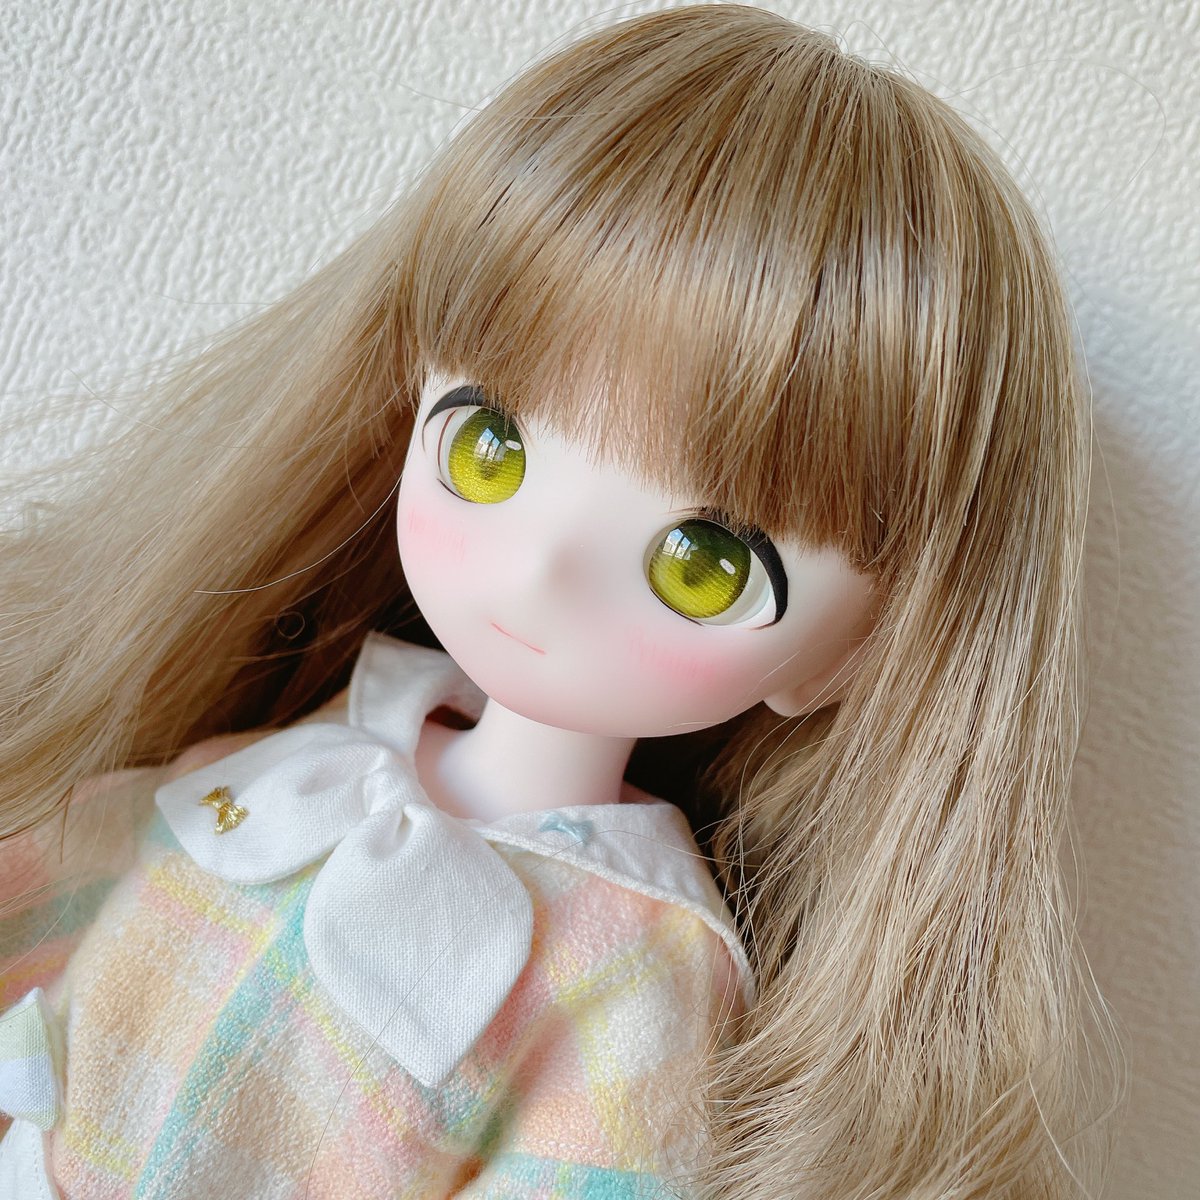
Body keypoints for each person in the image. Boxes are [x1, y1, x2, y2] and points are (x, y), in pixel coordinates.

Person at [0, 5, 1116, 1197]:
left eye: (700, 563)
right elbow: (64, 896)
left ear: (848, 657)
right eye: (489, 448)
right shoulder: (314, 747)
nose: (536, 571)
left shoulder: (634, 966)